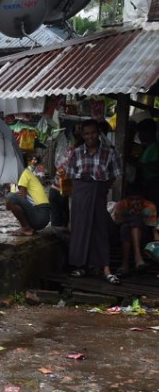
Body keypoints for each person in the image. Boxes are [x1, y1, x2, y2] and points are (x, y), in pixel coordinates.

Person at [67, 118, 122, 284]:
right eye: (86, 133)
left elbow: (114, 175)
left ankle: (106, 269)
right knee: (80, 229)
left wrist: (101, 188)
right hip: (80, 195)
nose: (90, 136)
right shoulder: (76, 153)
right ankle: (81, 266)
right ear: (82, 135)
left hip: (98, 193)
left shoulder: (109, 152)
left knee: (100, 229)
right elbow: (70, 176)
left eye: (93, 132)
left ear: (98, 133)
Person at [111, 187, 157, 276]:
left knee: (136, 220)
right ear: (127, 199)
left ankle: (125, 264)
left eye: (137, 199)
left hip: (144, 236)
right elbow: (118, 223)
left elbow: (152, 227)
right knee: (125, 227)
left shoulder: (149, 206)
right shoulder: (121, 205)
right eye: (132, 199)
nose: (135, 202)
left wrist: (140, 214)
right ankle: (137, 258)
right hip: (124, 235)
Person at [4, 155, 51, 236]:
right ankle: (26, 227)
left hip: (41, 215)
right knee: (10, 197)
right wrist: (10, 185)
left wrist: (10, 191)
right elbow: (9, 206)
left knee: (10, 197)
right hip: (39, 216)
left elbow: (19, 196)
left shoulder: (24, 173)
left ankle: (26, 227)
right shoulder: (20, 177)